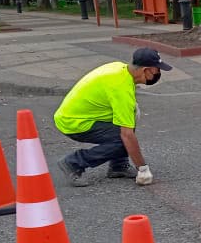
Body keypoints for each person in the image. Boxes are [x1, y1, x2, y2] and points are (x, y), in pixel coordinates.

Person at [54, 48, 171, 187]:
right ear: (146, 70)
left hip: (77, 115)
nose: (159, 73)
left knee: (127, 122)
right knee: (124, 138)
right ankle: (73, 163)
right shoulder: (121, 89)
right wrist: (143, 169)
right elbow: (127, 135)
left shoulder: (120, 69)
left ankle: (118, 166)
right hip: (73, 123)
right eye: (157, 70)